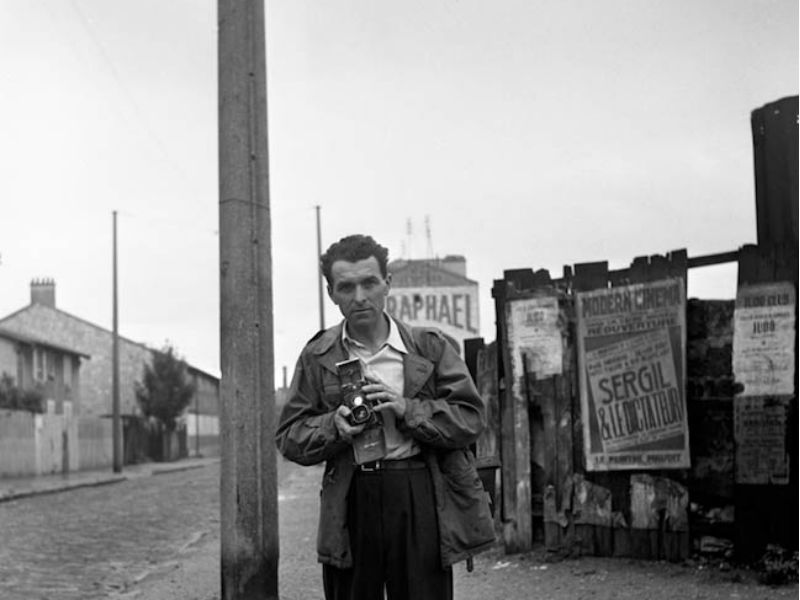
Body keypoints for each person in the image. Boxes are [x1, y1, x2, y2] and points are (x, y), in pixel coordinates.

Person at [275, 234, 495, 600]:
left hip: (418, 490)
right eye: (346, 287)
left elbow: (471, 418)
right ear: (331, 293)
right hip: (351, 497)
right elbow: (289, 436)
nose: (360, 297)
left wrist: (409, 409)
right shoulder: (318, 356)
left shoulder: (428, 347)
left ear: (387, 284)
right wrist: (334, 426)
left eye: (369, 283)